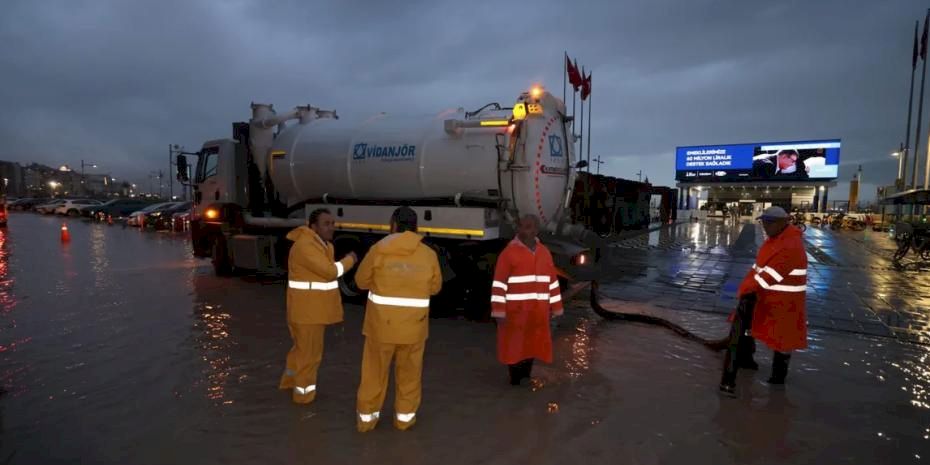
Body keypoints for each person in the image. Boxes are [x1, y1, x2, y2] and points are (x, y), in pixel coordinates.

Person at [354, 207, 442, 432]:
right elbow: (435, 287)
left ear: (392, 224)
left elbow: (361, 281)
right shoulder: (428, 254)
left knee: (373, 375)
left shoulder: (378, 250)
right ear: (416, 227)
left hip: (380, 328)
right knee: (410, 376)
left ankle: (367, 423)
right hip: (414, 330)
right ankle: (404, 421)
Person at [719, 206, 808, 397]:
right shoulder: (776, 241)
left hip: (783, 303)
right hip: (764, 299)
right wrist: (746, 289)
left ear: (784, 222)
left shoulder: (790, 246)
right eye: (764, 222)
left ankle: (777, 380)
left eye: (770, 222)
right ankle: (747, 362)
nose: (766, 226)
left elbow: (768, 276)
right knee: (749, 330)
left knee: (782, 341)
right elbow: (758, 269)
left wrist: (747, 289)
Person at [279, 208, 357, 404]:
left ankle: (289, 384)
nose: (332, 227)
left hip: (308, 310)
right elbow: (329, 272)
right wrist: (350, 260)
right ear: (313, 227)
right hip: (308, 313)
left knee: (300, 351)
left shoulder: (321, 245)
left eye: (332, 223)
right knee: (310, 357)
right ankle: (303, 399)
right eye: (326, 223)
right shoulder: (306, 246)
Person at [490, 214, 564, 386]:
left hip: (538, 312)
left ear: (537, 230)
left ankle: (525, 377)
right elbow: (499, 285)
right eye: (521, 226)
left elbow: (552, 282)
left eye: (529, 227)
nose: (524, 231)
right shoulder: (508, 254)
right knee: (514, 348)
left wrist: (556, 307)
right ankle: (515, 382)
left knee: (532, 345)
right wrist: (499, 312)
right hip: (516, 312)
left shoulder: (544, 253)